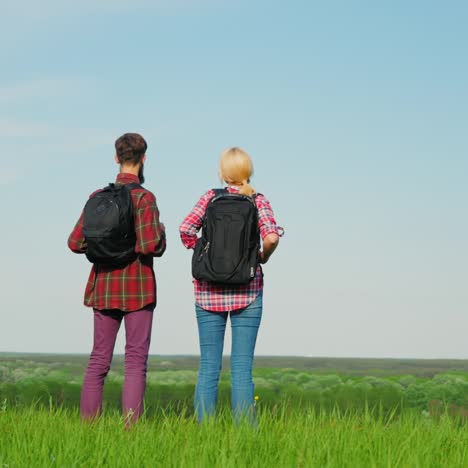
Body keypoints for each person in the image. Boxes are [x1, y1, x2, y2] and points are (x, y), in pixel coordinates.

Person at [68, 133, 166, 425]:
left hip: (103, 287)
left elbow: (75, 243)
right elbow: (151, 245)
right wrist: (161, 232)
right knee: (135, 362)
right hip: (137, 288)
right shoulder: (145, 198)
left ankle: (88, 429)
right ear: (144, 159)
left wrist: (104, 246)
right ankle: (131, 431)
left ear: (116, 158)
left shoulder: (97, 198)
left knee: (98, 360)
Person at [179, 147, 283, 423]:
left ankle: (205, 434)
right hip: (247, 291)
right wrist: (262, 256)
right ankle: (246, 435)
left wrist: (202, 251)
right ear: (248, 171)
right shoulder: (258, 200)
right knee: (241, 369)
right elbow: (271, 237)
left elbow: (185, 229)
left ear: (223, 172)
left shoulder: (210, 197)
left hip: (207, 292)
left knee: (208, 368)